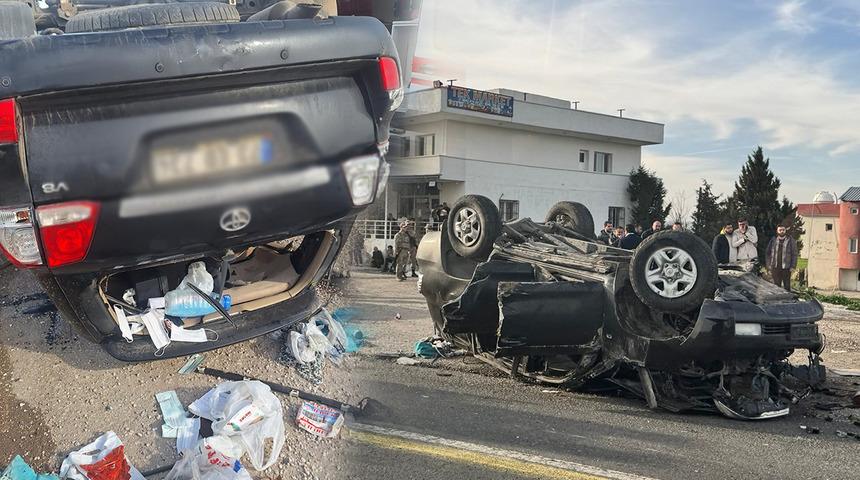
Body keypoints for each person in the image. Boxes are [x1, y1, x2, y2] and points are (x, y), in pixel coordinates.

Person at [766, 225, 798, 291]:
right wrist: (768, 265)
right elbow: (767, 253)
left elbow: (794, 254)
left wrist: (793, 266)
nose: (782, 231)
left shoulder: (790, 240)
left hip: (786, 267)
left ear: (785, 230)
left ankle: (788, 301)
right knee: (776, 287)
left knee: (787, 286)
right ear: (777, 231)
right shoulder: (773, 240)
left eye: (783, 230)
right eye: (780, 230)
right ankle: (777, 300)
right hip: (775, 267)